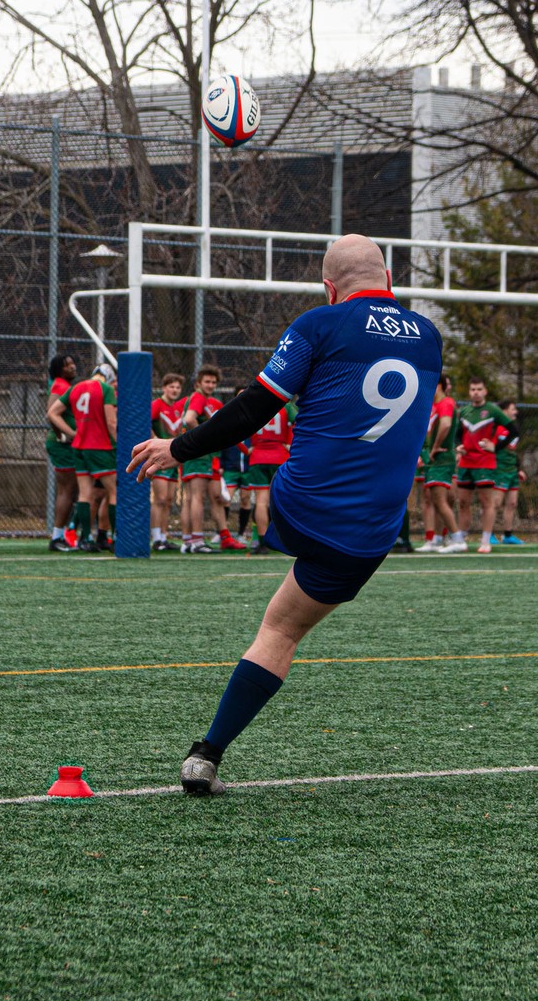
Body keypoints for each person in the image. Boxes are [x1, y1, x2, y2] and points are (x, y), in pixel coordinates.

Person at [129, 234, 443, 795]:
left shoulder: (318, 325)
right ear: (389, 280)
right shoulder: (429, 336)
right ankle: (206, 755)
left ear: (329, 288)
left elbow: (254, 407)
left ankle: (206, 755)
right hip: (372, 532)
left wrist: (176, 448)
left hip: (301, 505)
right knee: (282, 629)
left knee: (276, 618)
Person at [454, 377, 515, 553]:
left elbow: (513, 431)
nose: (476, 392)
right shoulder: (464, 411)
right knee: (463, 502)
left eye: (479, 389)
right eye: (473, 389)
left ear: (485, 391)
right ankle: (461, 540)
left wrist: (496, 447)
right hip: (466, 463)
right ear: (469, 391)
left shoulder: (493, 411)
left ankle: (486, 540)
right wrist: (458, 447)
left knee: (486, 502)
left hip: (485, 463)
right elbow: (457, 435)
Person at [68, 363, 118, 551]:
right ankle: (116, 537)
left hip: (79, 445)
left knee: (85, 493)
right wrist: (121, 446)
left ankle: (86, 538)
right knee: (114, 491)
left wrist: (72, 432)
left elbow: (53, 412)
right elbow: (111, 422)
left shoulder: (77, 388)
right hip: (100, 446)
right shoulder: (105, 389)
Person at [179, 365, 224, 554]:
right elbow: (189, 419)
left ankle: (187, 540)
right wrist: (202, 441)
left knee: (189, 498)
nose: (211, 385)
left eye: (214, 382)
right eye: (207, 381)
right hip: (198, 454)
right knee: (197, 497)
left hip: (190, 452)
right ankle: (197, 540)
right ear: (198, 383)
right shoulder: (198, 398)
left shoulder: (199, 398)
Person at [244, 398, 296, 551]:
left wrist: (246, 449)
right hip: (280, 456)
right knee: (283, 499)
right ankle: (286, 541)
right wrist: (290, 443)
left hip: (258, 456)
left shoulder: (254, 403)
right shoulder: (286, 406)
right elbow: (299, 422)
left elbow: (235, 426)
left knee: (261, 501)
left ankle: (262, 542)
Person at [42, 353, 82, 551]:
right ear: (59, 369)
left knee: (77, 490)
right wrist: (67, 435)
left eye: (73, 363)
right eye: (67, 365)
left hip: (67, 445)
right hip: (63, 446)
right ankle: (58, 536)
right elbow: (51, 413)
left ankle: (68, 533)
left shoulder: (66, 386)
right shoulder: (59, 385)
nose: (72, 367)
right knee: (68, 490)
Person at [420, 374, 457, 551]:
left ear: (440, 386)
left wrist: (434, 447)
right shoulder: (433, 406)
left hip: (442, 458)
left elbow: (446, 425)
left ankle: (456, 538)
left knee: (442, 500)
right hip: (433, 459)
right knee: (433, 498)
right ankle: (434, 539)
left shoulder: (446, 403)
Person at [149, 373, 186, 551]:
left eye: (178, 387)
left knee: (169, 499)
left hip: (172, 459)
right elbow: (145, 422)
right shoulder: (157, 405)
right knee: (160, 498)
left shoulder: (178, 408)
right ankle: (156, 538)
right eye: (171, 386)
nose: (174, 390)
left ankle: (163, 536)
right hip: (159, 458)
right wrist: (155, 441)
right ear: (164, 388)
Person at [493, 404, 527, 544]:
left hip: (511, 470)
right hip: (499, 469)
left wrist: (518, 468)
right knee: (495, 503)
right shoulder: (497, 428)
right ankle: (489, 534)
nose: (516, 412)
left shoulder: (514, 429)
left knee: (512, 503)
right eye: (513, 409)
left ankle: (507, 535)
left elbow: (513, 451)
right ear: (504, 411)